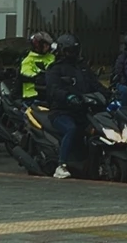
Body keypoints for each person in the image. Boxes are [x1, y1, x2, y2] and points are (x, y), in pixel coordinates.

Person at [42, 33, 106, 179]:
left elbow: (95, 84)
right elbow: (53, 90)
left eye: (74, 50)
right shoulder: (55, 69)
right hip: (61, 112)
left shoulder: (82, 68)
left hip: (83, 110)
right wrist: (68, 97)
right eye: (69, 51)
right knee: (71, 129)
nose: (72, 54)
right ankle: (61, 165)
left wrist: (109, 94)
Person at [20, 32, 55, 100]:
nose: (47, 47)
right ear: (38, 46)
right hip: (33, 95)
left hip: (50, 94)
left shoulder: (52, 57)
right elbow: (27, 74)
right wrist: (39, 77)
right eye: (45, 45)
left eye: (48, 45)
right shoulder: (28, 60)